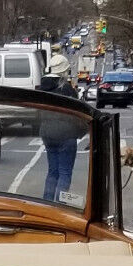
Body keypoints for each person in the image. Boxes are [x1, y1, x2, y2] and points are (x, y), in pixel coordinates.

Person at [39, 50, 80, 202]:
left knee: (52, 172)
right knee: (65, 172)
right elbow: (78, 111)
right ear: (64, 70)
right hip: (66, 134)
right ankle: (60, 207)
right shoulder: (67, 89)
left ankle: (47, 204)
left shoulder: (42, 88)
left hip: (47, 133)